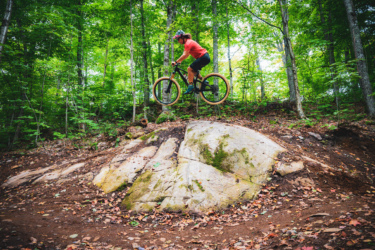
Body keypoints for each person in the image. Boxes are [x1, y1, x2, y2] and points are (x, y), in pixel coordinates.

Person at [172, 30, 210, 95]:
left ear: (182, 38)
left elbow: (185, 55)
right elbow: (186, 55)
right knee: (193, 71)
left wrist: (176, 62)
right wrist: (180, 61)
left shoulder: (188, 43)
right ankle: (204, 81)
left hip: (203, 57)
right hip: (205, 57)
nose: (178, 41)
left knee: (189, 69)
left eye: (178, 39)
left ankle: (190, 86)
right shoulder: (188, 42)